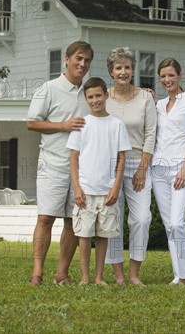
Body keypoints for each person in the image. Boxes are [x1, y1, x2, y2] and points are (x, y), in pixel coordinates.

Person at [26, 40, 94, 286]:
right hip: (51, 165)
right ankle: (37, 273)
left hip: (81, 169)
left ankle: (61, 274)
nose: (82, 64)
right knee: (45, 218)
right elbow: (32, 123)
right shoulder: (48, 88)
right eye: (78, 58)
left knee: (72, 221)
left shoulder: (90, 92)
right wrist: (62, 126)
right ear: (67, 59)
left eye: (86, 60)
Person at [67, 77, 131, 285]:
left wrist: (116, 186)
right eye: (90, 97)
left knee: (104, 234)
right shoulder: (81, 124)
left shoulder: (117, 125)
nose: (95, 100)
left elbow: (121, 158)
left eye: (98, 95)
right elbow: (74, 158)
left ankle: (99, 277)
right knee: (84, 235)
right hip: (85, 190)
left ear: (106, 95)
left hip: (107, 191)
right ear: (86, 99)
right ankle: (85, 277)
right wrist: (76, 187)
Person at [104, 47, 157, 286]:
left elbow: (150, 134)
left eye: (127, 67)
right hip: (110, 166)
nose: (123, 72)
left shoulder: (146, 98)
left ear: (133, 70)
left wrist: (142, 168)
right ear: (111, 72)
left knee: (142, 219)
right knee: (112, 220)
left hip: (138, 164)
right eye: (118, 68)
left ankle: (135, 273)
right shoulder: (102, 97)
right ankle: (118, 276)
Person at [152, 58, 185, 285]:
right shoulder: (159, 105)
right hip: (158, 170)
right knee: (168, 225)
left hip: (180, 170)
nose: (167, 80)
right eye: (163, 76)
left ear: (180, 75)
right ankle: (179, 274)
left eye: (171, 75)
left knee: (177, 223)